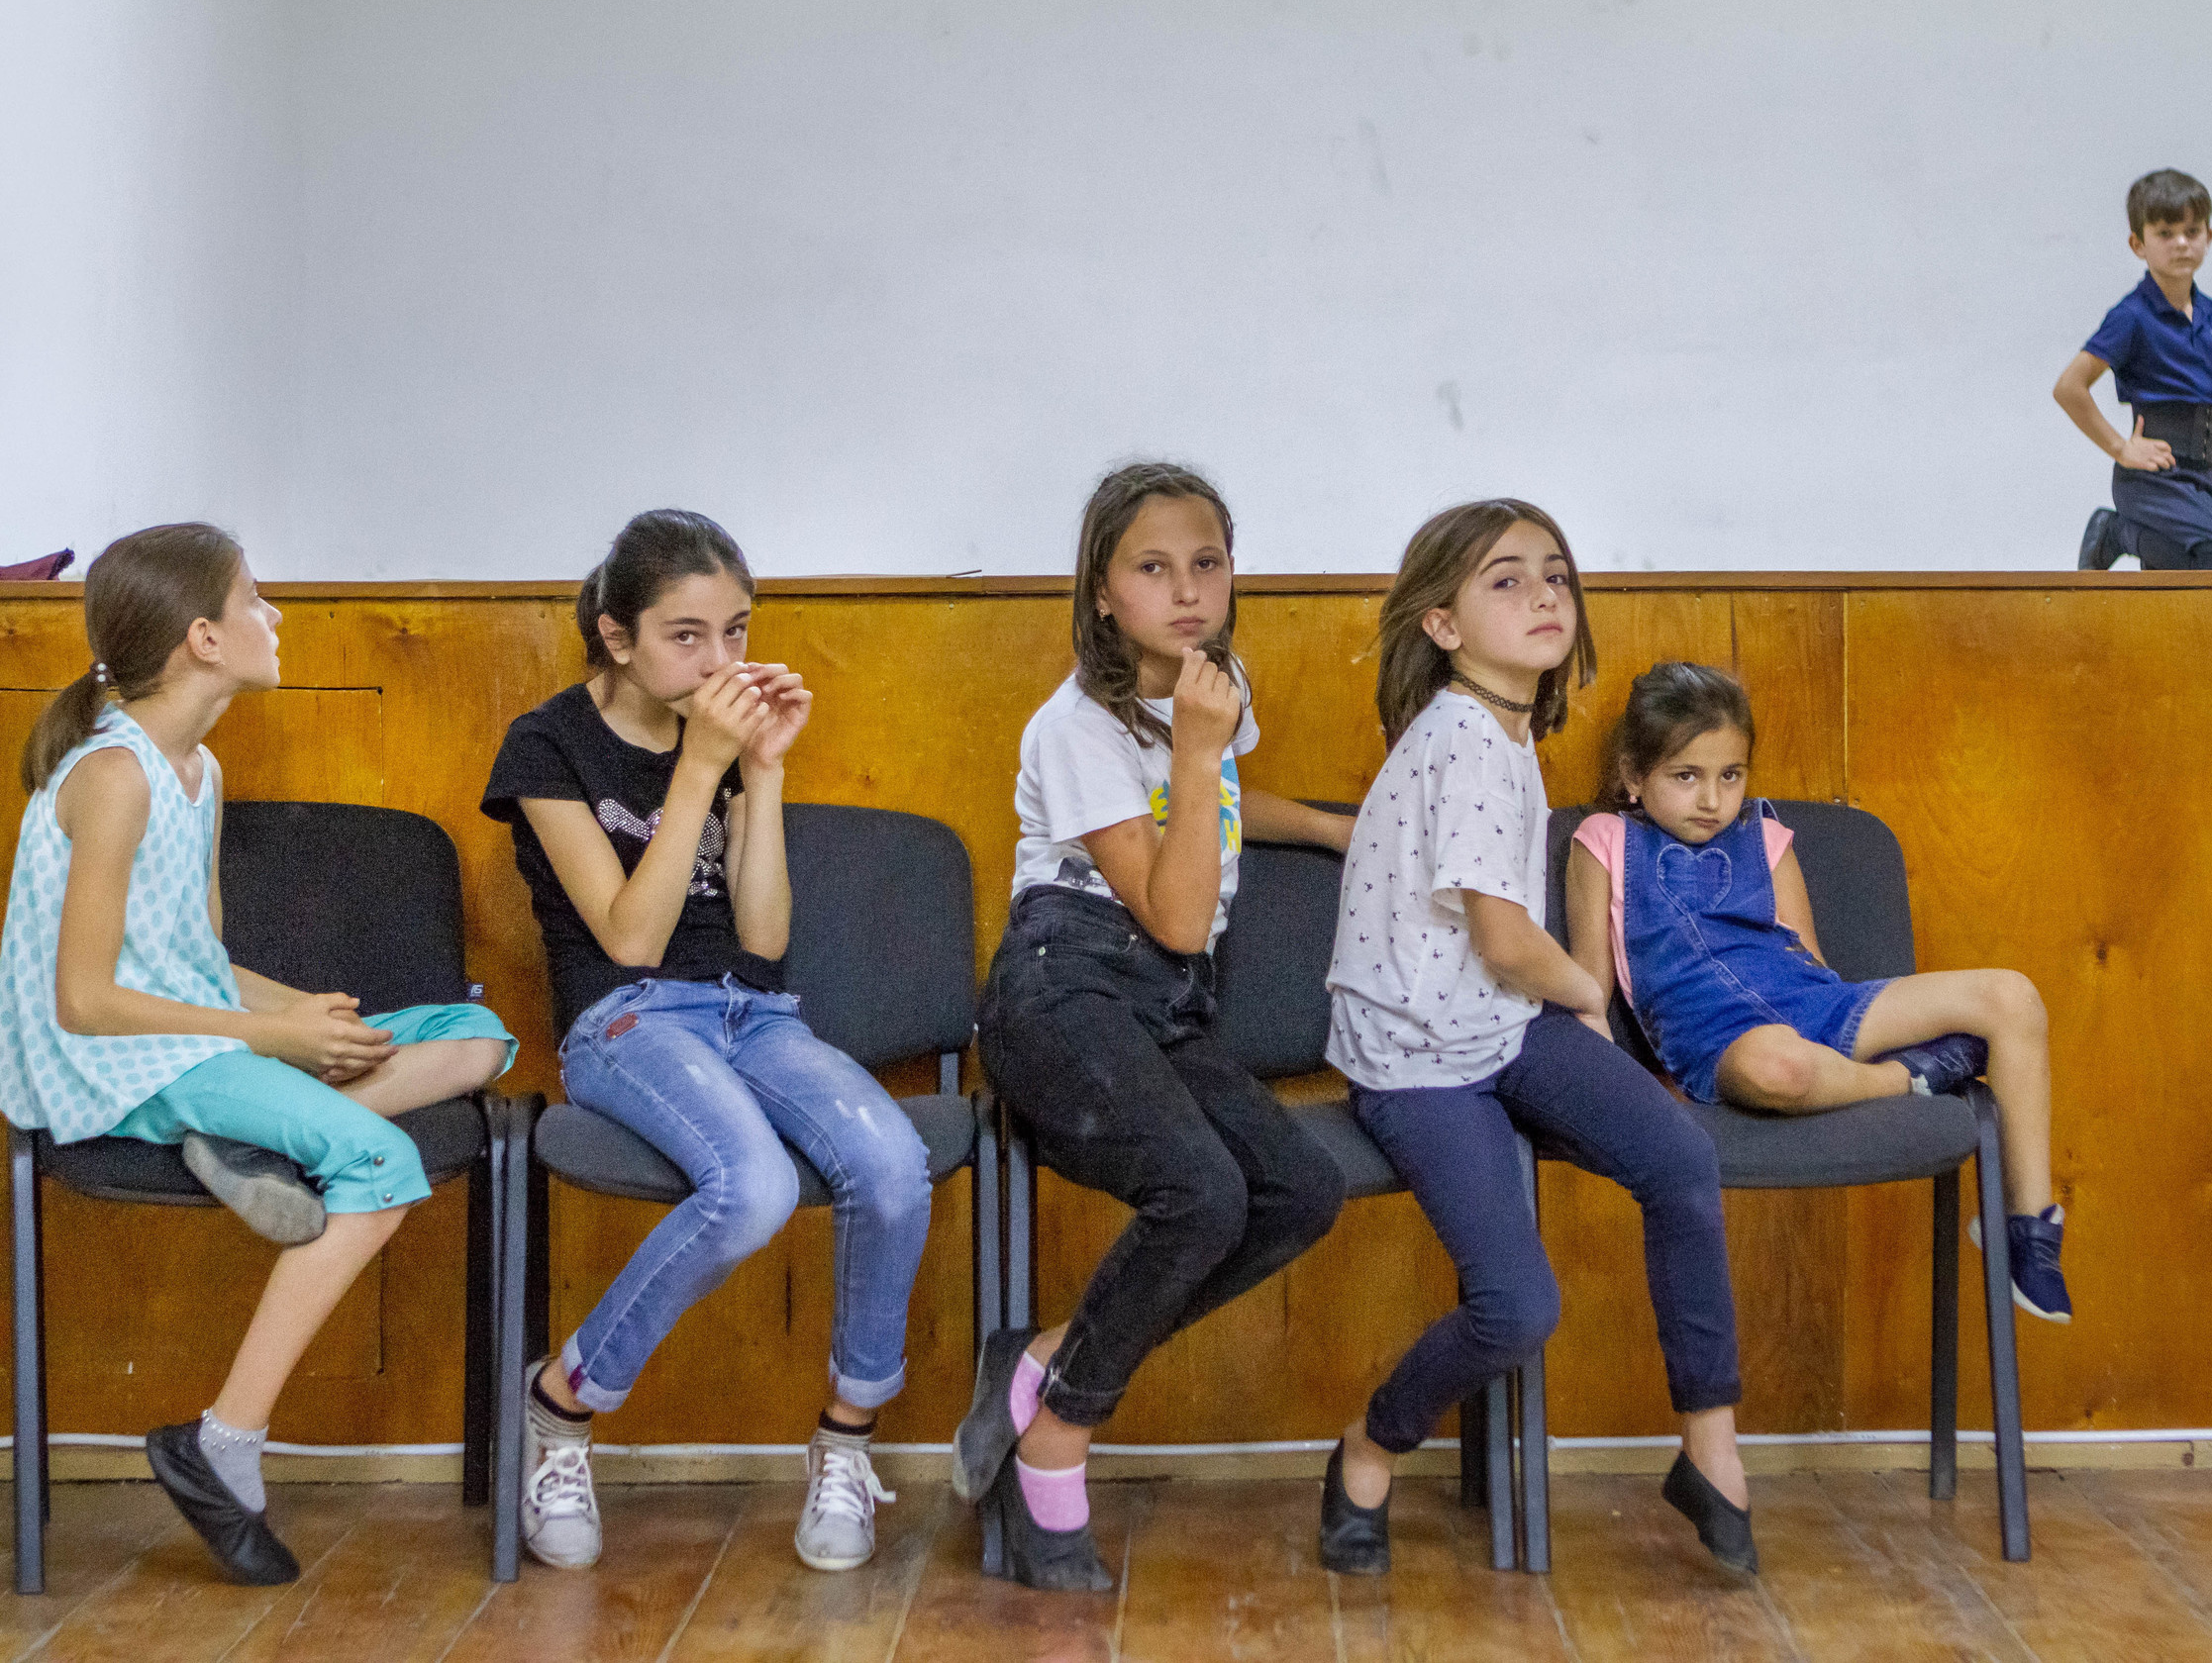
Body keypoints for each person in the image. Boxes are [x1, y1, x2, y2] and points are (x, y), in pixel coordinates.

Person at [0, 523, 513, 1585]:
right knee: (381, 1166)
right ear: (203, 638)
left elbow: (201, 963)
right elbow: (85, 1000)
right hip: (111, 1065)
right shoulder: (114, 777)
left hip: (192, 1037)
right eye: (256, 601)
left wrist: (312, 1018)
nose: (273, 618)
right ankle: (220, 1442)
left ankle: (249, 1137)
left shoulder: (200, 767)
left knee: (476, 1039)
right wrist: (275, 1041)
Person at [480, 509, 932, 1574]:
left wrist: (761, 773)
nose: (722, 661)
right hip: (625, 1019)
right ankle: (562, 1404)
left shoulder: (730, 740)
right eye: (688, 636)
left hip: (752, 1013)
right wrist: (698, 768)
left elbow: (765, 936)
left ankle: (845, 1441)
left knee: (893, 1165)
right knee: (754, 1188)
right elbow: (630, 939)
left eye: (737, 631)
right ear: (616, 635)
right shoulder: (547, 746)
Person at [1320, 501, 1758, 1579]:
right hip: (1420, 1054)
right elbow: (1509, 943)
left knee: (1676, 1154)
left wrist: (1560, 1009)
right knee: (1515, 1307)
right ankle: (1369, 1445)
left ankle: (1710, 1449)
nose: (1542, 595)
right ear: (1442, 627)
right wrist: (1588, 1000)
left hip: (1495, 1024)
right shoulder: (1466, 741)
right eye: (1505, 581)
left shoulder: (1505, 733)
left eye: (1554, 575)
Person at [960, 462, 1350, 1591]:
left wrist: (1326, 827)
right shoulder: (1076, 725)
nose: (1186, 590)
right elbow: (1178, 913)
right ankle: (1058, 1440)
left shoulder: (1207, 694)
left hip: (1165, 1005)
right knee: (1202, 1193)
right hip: (1063, 984)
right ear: (1099, 592)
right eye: (1152, 567)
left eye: (1207, 564)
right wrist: (1190, 746)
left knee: (1297, 1190)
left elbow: (1214, 800)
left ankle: (1041, 1358)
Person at [1568, 662, 2069, 1321]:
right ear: (1635, 777)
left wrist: (1859, 1017)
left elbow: (1808, 960)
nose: (1714, 800)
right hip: (1719, 1040)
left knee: (2013, 996)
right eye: (1685, 776)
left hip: (1815, 1005)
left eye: (1731, 775)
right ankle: (1911, 1076)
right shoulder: (1604, 840)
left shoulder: (1766, 834)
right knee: (1780, 1065)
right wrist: (1623, 1088)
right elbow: (1586, 990)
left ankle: (2027, 1233)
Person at [2056, 168, 2212, 571]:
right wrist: (2121, 448)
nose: (2182, 243)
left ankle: (2175, 538)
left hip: (2209, 478)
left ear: (2209, 237)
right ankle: (2116, 532)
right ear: (2138, 244)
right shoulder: (2131, 316)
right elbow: (2069, 387)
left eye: (2192, 231)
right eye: (2166, 233)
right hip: (2156, 479)